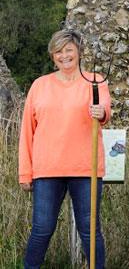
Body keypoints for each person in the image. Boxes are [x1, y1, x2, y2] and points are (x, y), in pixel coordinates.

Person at [19, 30, 111, 269]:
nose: (64, 55)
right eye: (58, 51)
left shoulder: (96, 81)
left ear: (78, 52)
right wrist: (25, 172)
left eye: (68, 49)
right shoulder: (40, 85)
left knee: (90, 231)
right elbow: (27, 131)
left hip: (85, 169)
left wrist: (101, 113)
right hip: (47, 170)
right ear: (52, 56)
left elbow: (104, 111)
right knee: (42, 229)